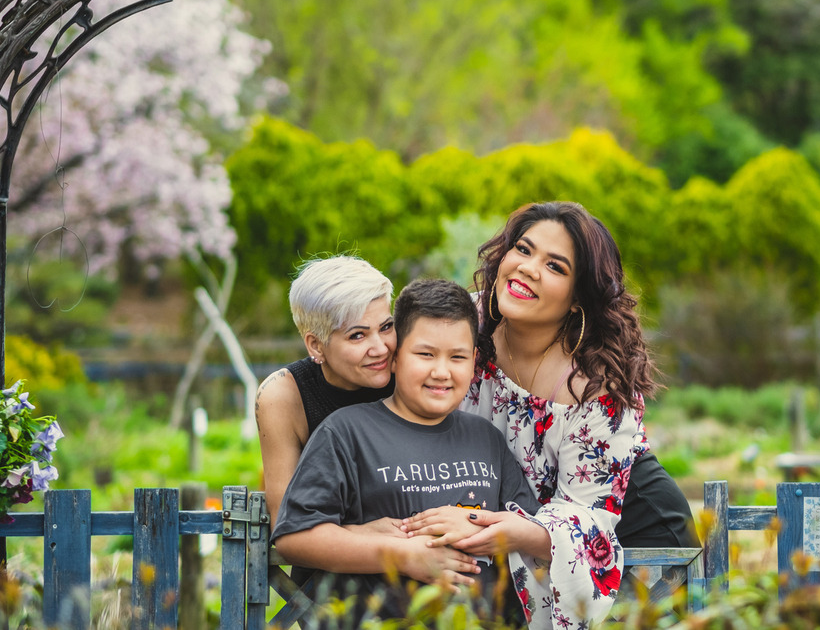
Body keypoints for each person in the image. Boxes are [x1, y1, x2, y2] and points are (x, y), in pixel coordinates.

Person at [402, 201, 696, 629]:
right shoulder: (460, 324)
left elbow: (586, 513)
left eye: (555, 267)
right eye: (523, 249)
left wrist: (489, 525)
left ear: (578, 298)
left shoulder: (595, 384)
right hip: (515, 518)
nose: (528, 269)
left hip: (625, 526)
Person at [272, 278, 541, 624]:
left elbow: (528, 526)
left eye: (457, 357)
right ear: (395, 357)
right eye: (425, 354)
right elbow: (296, 537)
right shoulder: (346, 432)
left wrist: (478, 525)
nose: (441, 371)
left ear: (474, 360)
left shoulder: (486, 438)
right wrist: (400, 554)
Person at [255, 256, 398, 528]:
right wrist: (364, 536)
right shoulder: (284, 396)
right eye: (357, 335)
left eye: (386, 327)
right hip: (330, 563)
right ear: (316, 345)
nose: (380, 348)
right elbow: (286, 522)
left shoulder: (409, 371)